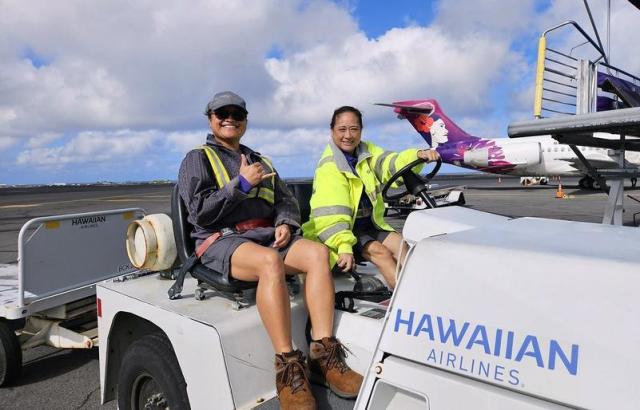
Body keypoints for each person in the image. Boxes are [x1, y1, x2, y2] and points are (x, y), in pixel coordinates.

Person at [178, 92, 362, 409]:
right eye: (223, 113)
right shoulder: (197, 159)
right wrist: (242, 185)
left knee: (317, 254)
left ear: (245, 121)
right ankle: (289, 365)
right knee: (269, 263)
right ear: (210, 118)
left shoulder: (261, 160)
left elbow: (286, 201)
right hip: (221, 240)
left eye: (237, 114)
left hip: (265, 234)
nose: (230, 119)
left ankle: (323, 353)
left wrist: (287, 224)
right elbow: (198, 213)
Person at [302, 106, 440, 289]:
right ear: (332, 131)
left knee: (402, 246)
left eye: (354, 129)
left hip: (367, 225)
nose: (348, 135)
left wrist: (417, 155)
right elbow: (331, 215)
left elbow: (389, 162)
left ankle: (425, 291)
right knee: (381, 254)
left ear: (361, 131)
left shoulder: (366, 151)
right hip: (340, 232)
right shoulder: (329, 167)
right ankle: (405, 304)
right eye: (342, 129)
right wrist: (343, 246)